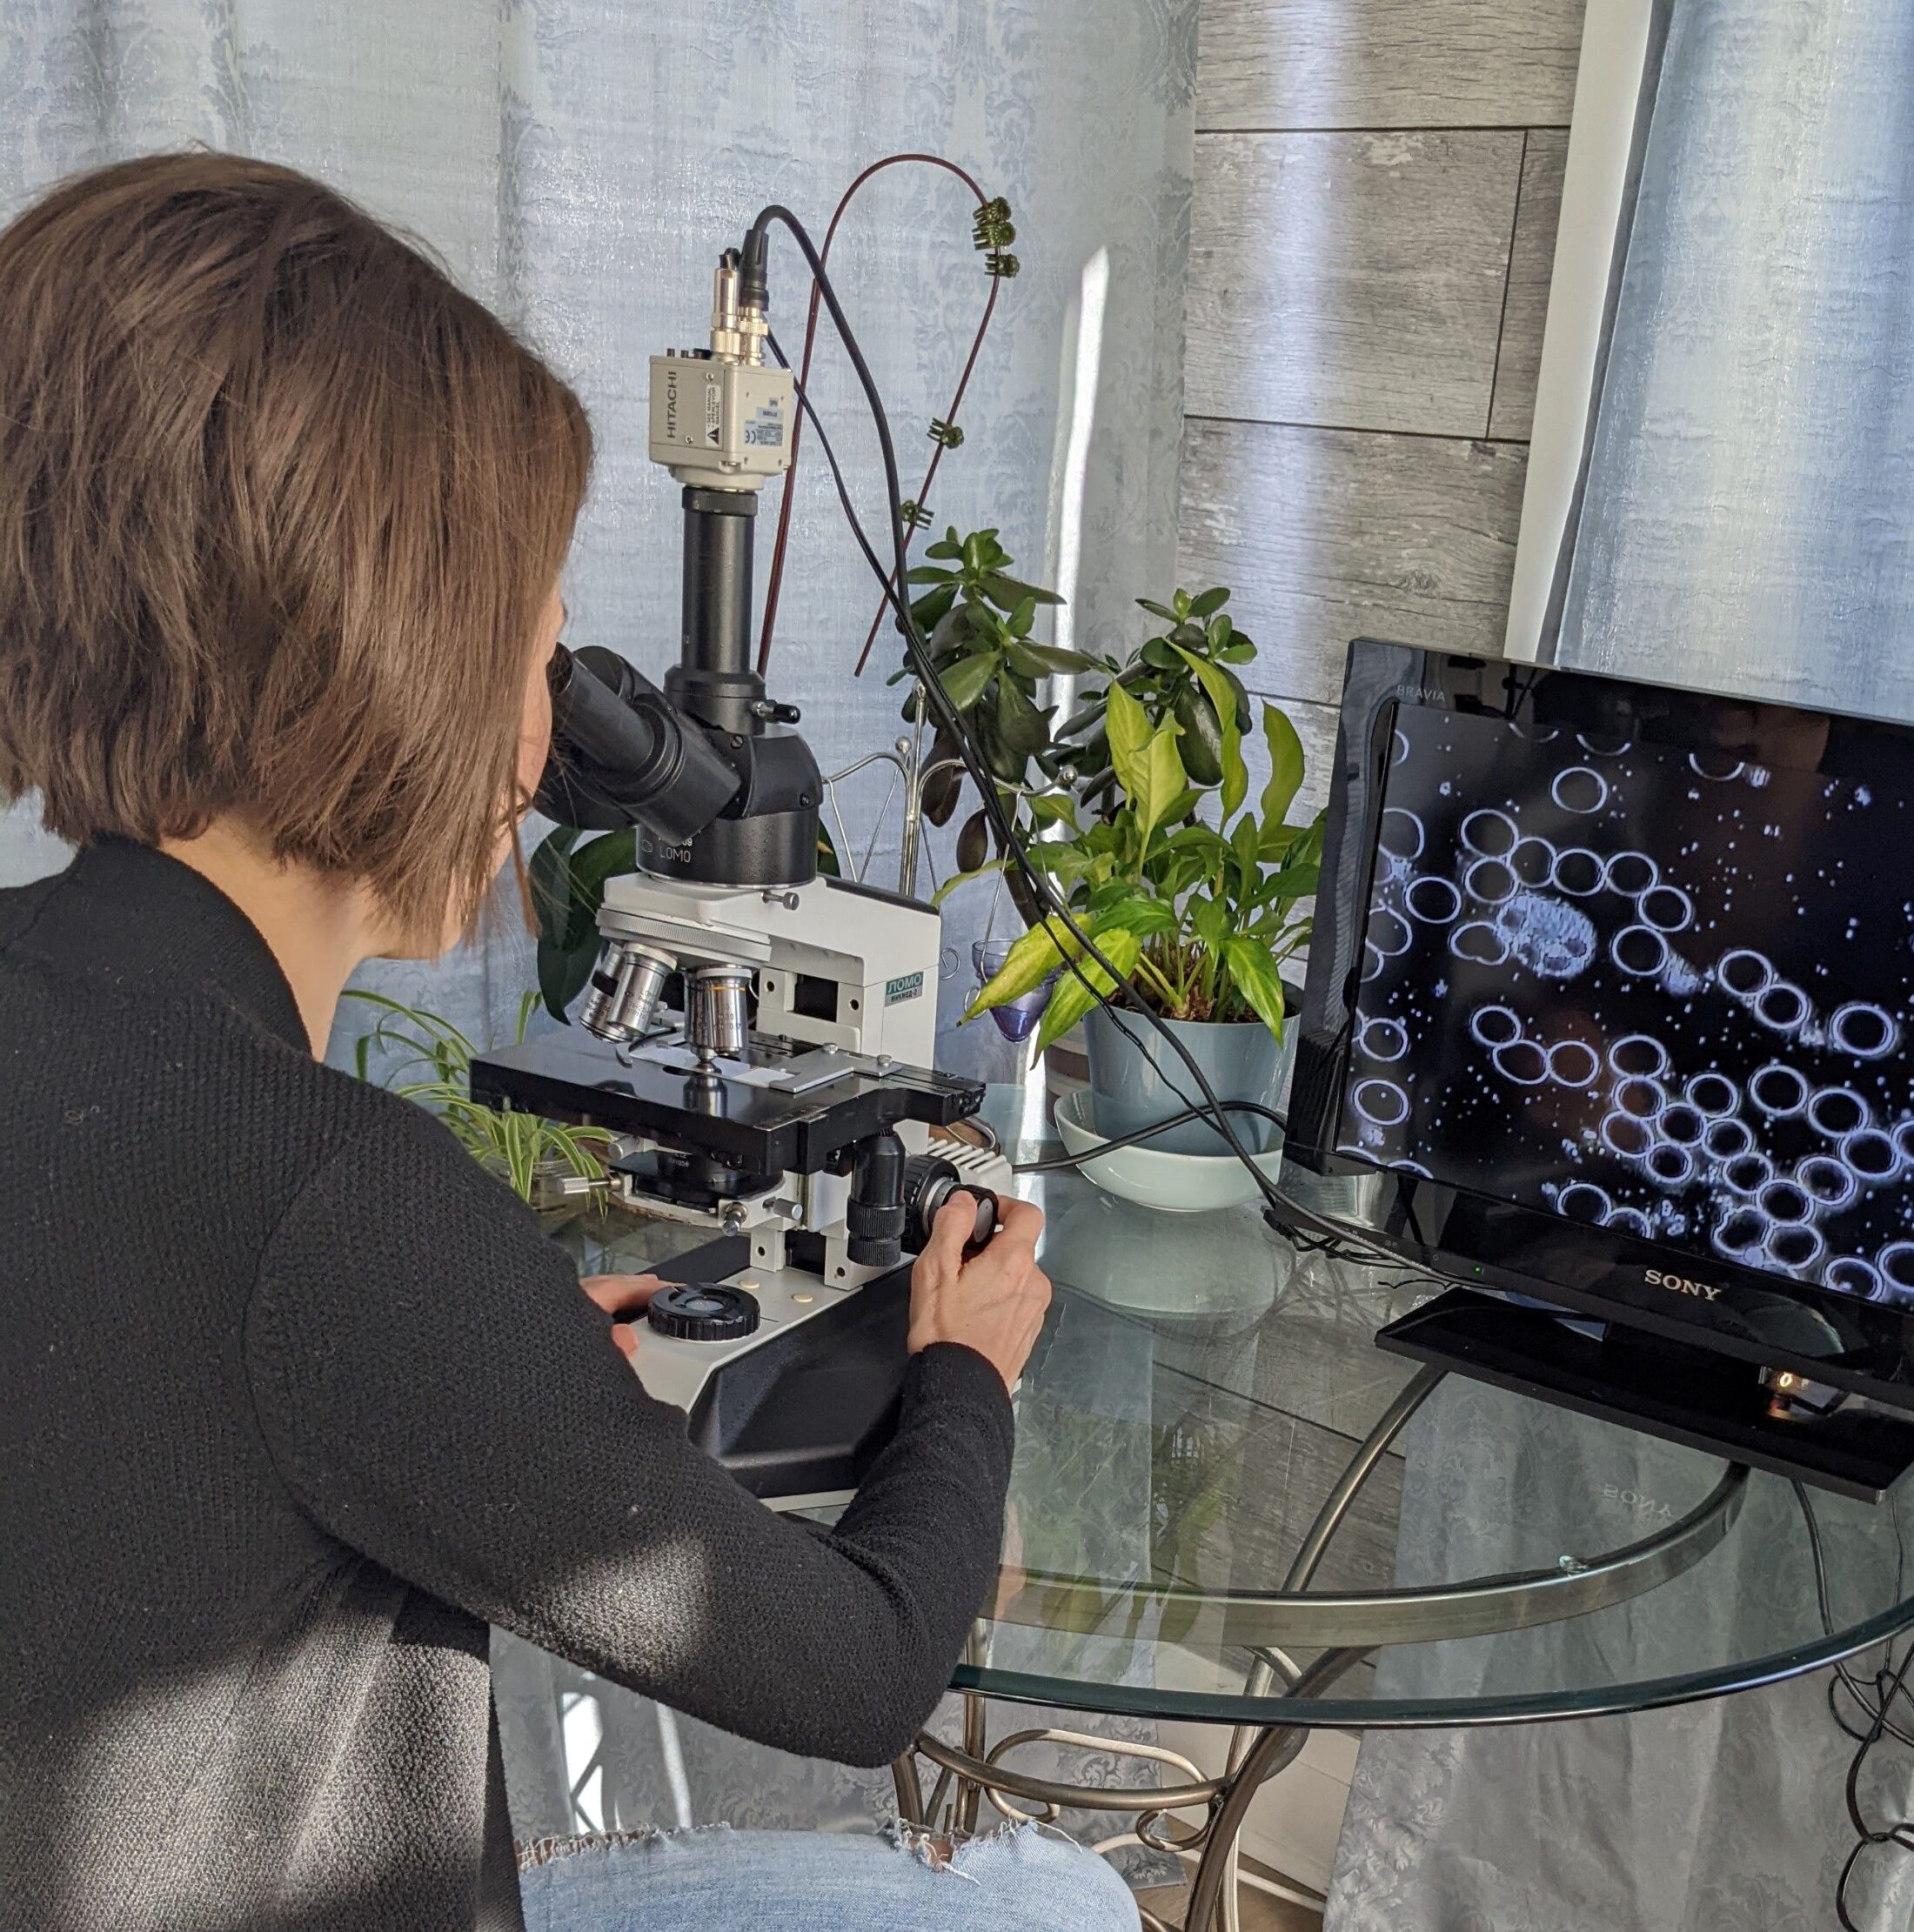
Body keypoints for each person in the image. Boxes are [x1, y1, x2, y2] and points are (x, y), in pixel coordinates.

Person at [0, 153, 1136, 1932]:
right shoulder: (340, 1206)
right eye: (538, 650)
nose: (548, 740)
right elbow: (861, 1675)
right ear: (402, 658)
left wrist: (488, 1364)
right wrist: (969, 1369)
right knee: (1048, 1897)